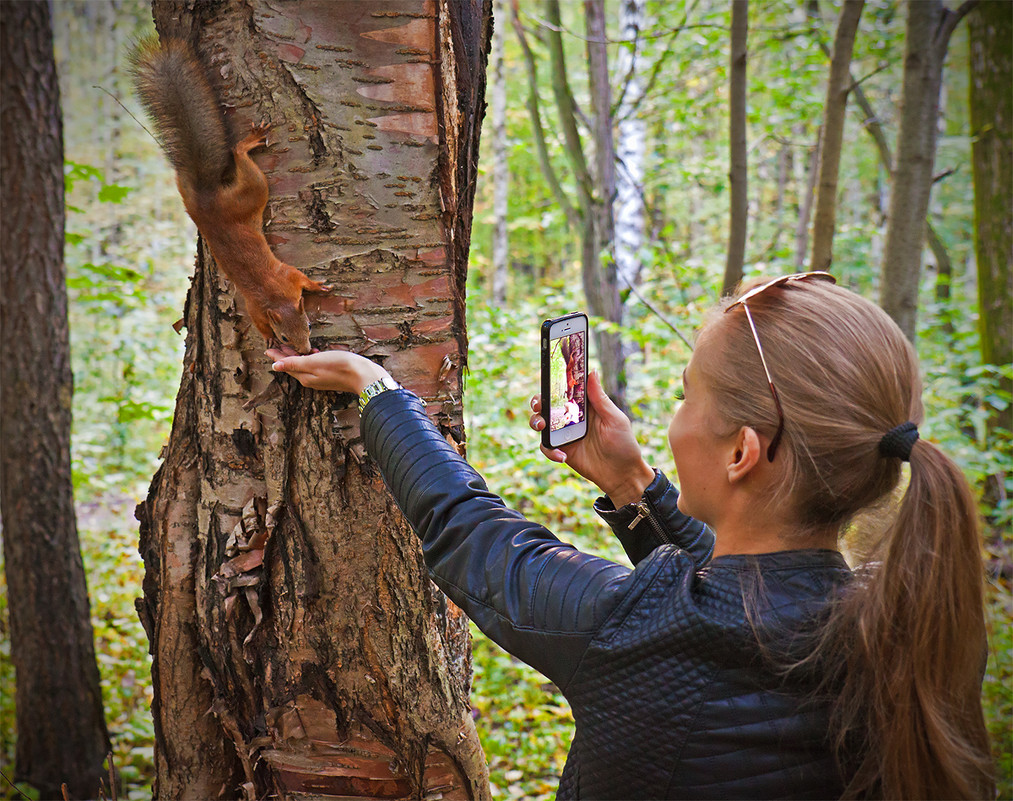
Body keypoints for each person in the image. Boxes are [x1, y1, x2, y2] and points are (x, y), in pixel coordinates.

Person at [268, 273, 994, 800]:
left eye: (686, 394)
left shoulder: (634, 625)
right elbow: (748, 599)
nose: (673, 418)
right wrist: (634, 486)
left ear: (742, 452)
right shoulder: (900, 622)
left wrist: (378, 392)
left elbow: (470, 534)